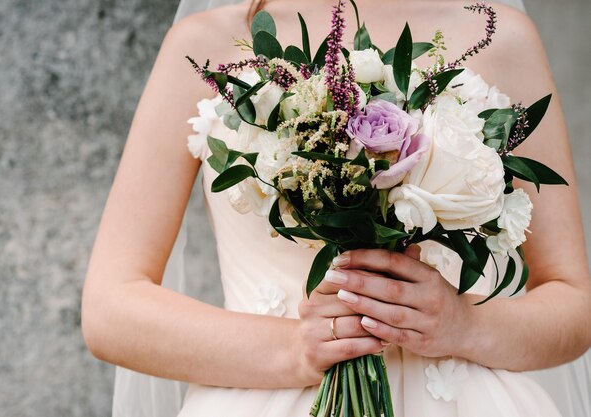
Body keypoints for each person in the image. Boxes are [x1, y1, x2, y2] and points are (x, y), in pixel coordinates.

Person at [81, 0, 591, 416]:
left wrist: (465, 326)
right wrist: (295, 348)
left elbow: (572, 302)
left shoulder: (502, 37)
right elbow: (111, 309)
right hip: (265, 397)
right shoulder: (204, 44)